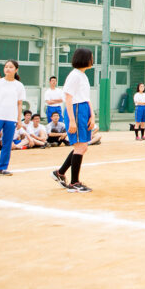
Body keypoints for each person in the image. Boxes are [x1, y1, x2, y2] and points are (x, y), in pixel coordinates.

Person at [51, 48, 97, 193]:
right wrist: (71, 120)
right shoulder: (74, 75)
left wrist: (92, 115)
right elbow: (68, 98)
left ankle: (60, 172)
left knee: (82, 146)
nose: (92, 59)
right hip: (76, 110)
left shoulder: (83, 75)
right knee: (80, 147)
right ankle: (74, 183)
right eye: (91, 57)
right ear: (84, 58)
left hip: (83, 109)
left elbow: (86, 98)